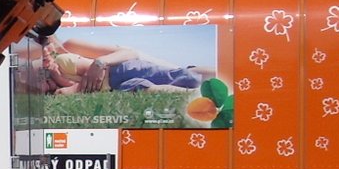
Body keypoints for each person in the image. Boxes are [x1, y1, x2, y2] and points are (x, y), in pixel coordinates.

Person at [37, 36, 213, 94]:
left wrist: (101, 62)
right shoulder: (56, 73)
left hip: (123, 68)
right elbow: (76, 87)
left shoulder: (67, 54)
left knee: (179, 74)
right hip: (118, 83)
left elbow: (130, 54)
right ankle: (195, 94)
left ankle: (224, 75)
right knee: (147, 88)